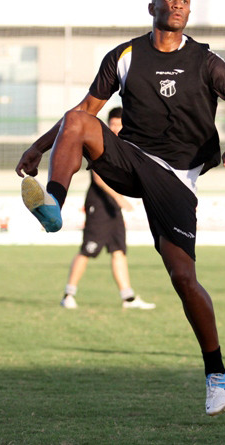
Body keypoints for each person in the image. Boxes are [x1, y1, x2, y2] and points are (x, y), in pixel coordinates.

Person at [15, 0, 225, 416]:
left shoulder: (206, 60)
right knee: (78, 118)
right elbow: (86, 111)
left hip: (178, 178)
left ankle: (217, 372)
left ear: (190, 10)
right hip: (131, 159)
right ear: (152, 7)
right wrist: (39, 146)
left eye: (184, 0)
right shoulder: (125, 56)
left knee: (183, 278)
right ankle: (53, 204)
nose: (177, 5)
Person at [61, 107, 155, 310]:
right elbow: (99, 176)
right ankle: (68, 294)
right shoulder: (100, 141)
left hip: (113, 206)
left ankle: (128, 298)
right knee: (87, 250)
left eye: (120, 124)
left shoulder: (125, 144)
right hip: (99, 203)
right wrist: (120, 199)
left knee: (119, 250)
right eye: (113, 123)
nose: (116, 128)